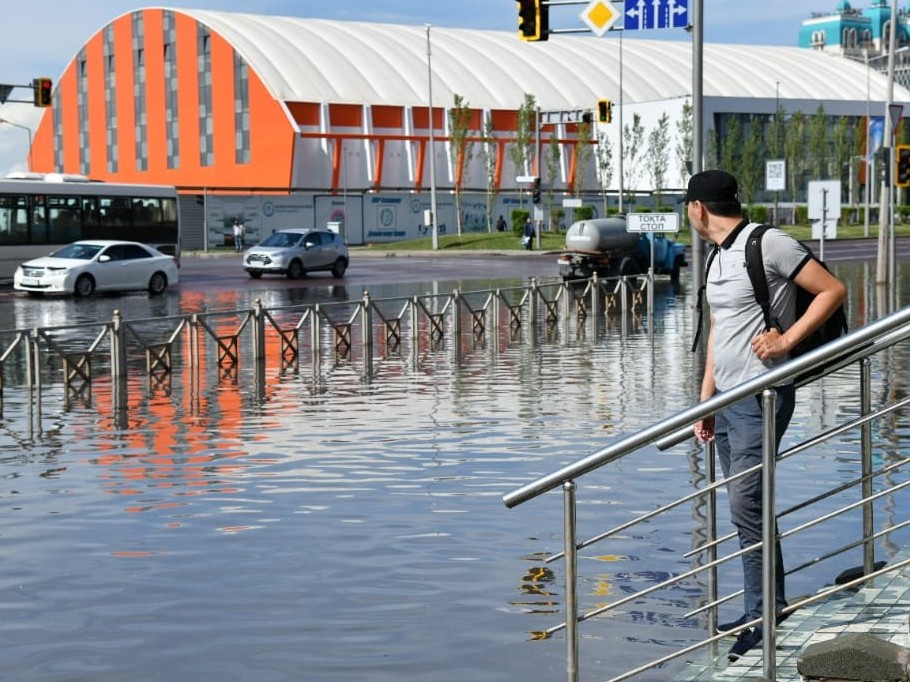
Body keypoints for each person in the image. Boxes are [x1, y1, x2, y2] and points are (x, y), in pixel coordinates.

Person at [687, 170, 846, 662]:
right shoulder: (717, 257)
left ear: (698, 208)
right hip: (728, 401)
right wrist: (705, 400)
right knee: (749, 508)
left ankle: (762, 618)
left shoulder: (767, 243)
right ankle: (764, 606)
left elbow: (831, 290)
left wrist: (786, 342)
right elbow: (719, 328)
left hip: (763, 396)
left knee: (746, 505)